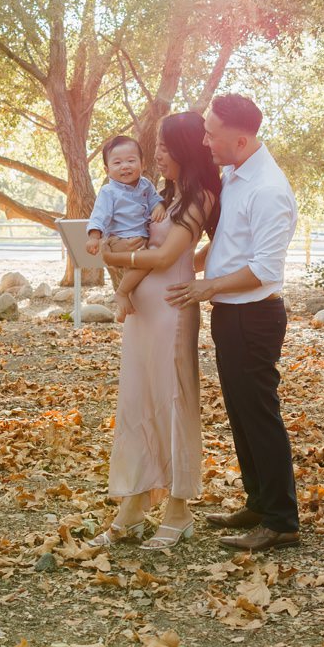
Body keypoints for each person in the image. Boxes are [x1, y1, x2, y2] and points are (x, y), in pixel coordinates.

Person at [166, 93, 300, 552]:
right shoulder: (235, 174)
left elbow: (265, 269)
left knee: (260, 416)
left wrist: (206, 287)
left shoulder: (269, 189)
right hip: (231, 312)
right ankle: (258, 502)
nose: (204, 141)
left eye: (211, 132)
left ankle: (282, 520)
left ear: (240, 138)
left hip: (254, 315)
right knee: (240, 414)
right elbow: (228, 244)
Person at [87, 112, 221, 552]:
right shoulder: (163, 195)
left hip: (171, 313)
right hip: (143, 314)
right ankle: (134, 502)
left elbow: (164, 258)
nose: (157, 154)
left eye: (164, 147)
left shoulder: (199, 195)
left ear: (184, 149)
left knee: (173, 402)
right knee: (138, 399)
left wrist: (115, 258)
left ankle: (179, 509)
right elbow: (175, 254)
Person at [84, 135, 161, 290]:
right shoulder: (109, 191)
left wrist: (159, 206)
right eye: (117, 163)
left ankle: (130, 294)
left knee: (147, 265)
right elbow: (99, 215)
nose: (125, 166)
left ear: (142, 163)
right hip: (119, 240)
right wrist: (94, 237)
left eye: (131, 161)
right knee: (147, 262)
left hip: (141, 238)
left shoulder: (146, 184)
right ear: (107, 170)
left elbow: (154, 199)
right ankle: (122, 292)